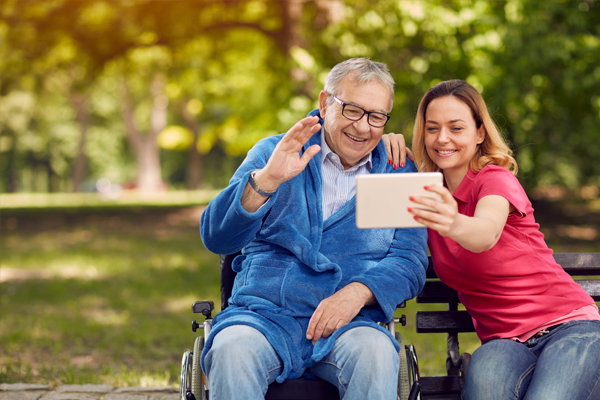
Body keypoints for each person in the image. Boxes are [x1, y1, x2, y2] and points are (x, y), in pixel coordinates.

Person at [199, 58, 428, 400]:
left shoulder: (396, 171)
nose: (363, 127)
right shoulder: (274, 152)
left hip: (350, 325)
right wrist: (266, 181)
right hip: (264, 316)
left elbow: (409, 261)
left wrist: (359, 291)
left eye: (376, 116)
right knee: (232, 350)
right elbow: (216, 236)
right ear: (325, 103)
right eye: (352, 110)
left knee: (378, 353)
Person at [400, 79, 600, 400]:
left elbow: (484, 232)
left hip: (570, 327)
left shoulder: (494, 179)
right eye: (432, 128)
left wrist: (449, 219)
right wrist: (385, 147)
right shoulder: (425, 193)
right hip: (504, 343)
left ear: (479, 133)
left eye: (456, 127)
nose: (443, 138)